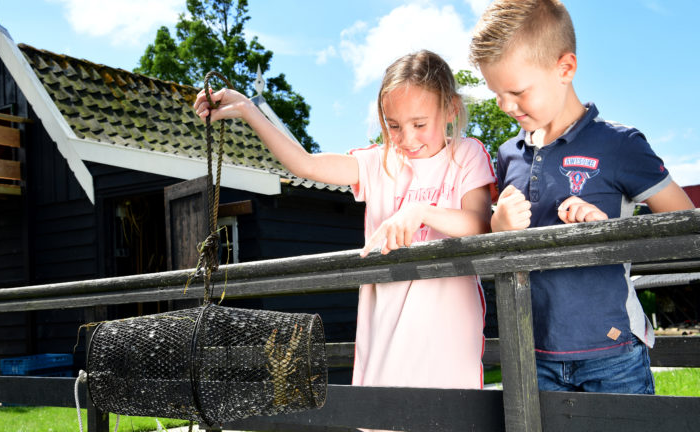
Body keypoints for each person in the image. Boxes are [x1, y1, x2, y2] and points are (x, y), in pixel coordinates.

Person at [194, 50, 496, 390]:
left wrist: (420, 211)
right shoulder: (377, 163)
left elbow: (479, 224)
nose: (407, 138)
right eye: (394, 126)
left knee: (449, 412)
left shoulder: (467, 154)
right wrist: (248, 108)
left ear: (451, 108)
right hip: (386, 330)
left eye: (420, 124)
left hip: (448, 330)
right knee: (386, 412)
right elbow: (305, 164)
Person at [469, 0, 695, 393]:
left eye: (517, 91)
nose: (505, 106)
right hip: (532, 352)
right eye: (496, 93)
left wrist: (607, 231)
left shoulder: (620, 144)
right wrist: (497, 228)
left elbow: (686, 226)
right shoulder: (507, 155)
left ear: (565, 68)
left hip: (612, 351)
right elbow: (502, 249)